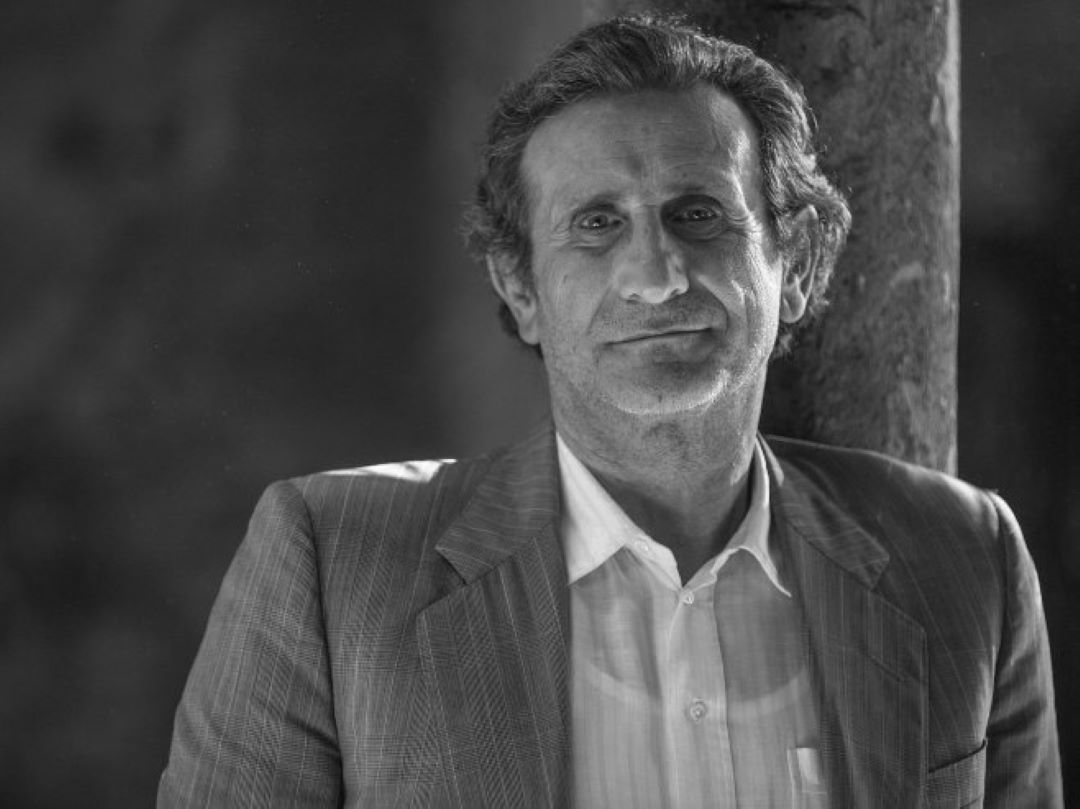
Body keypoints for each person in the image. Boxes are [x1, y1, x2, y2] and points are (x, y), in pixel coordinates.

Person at [158, 13, 1061, 808]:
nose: (656, 276)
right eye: (596, 224)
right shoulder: (334, 566)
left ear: (795, 262)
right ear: (520, 287)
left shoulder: (964, 557)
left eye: (699, 214)